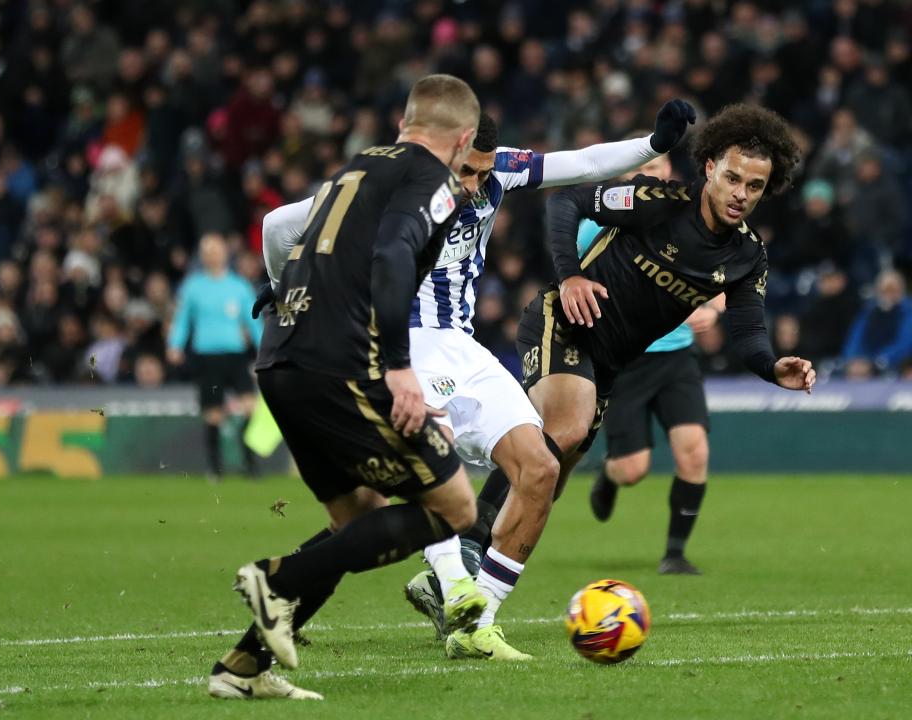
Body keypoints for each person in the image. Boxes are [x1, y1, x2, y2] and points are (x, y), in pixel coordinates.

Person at [259, 100, 697, 660]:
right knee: (421, 474)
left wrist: (653, 146)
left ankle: (474, 622)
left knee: (540, 467)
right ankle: (445, 586)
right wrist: (286, 289)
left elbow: (585, 163)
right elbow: (279, 225)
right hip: (396, 348)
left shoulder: (499, 170)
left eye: (483, 171)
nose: (475, 184)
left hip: (461, 347)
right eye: (466, 171)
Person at [446, 103, 816, 658]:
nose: (741, 193)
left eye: (755, 186)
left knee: (548, 479)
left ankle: (470, 596)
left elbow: (746, 330)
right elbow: (567, 201)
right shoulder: (657, 202)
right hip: (562, 324)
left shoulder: (747, 256)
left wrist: (772, 367)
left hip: (610, 366)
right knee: (564, 432)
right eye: (733, 177)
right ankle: (465, 557)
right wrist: (570, 277)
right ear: (710, 167)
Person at [210, 74, 481, 702]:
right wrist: (399, 367)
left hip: (283, 360)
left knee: (355, 517)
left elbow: (290, 231)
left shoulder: (356, 167)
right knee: (456, 509)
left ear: (405, 122)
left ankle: (242, 668)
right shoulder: (434, 181)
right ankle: (277, 579)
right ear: (464, 139)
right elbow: (392, 255)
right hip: (340, 366)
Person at [580, 149, 725, 576]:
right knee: (632, 469)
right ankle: (609, 474)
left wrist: (712, 309)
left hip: (677, 356)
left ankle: (675, 554)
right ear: (625, 178)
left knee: (694, 451)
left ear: (668, 173)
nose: (649, 176)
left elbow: (724, 277)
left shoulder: (692, 221)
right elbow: (571, 280)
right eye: (640, 169)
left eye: (655, 168)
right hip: (626, 359)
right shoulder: (596, 226)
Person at [166, 233, 262, 479]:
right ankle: (215, 468)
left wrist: (264, 347)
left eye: (216, 251)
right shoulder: (193, 287)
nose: (212, 256)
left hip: (235, 355)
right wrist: (175, 345)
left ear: (225, 254)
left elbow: (253, 320)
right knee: (213, 414)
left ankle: (249, 464)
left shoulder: (239, 286)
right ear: (202, 256)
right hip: (207, 356)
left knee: (250, 408)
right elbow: (182, 320)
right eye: (207, 252)